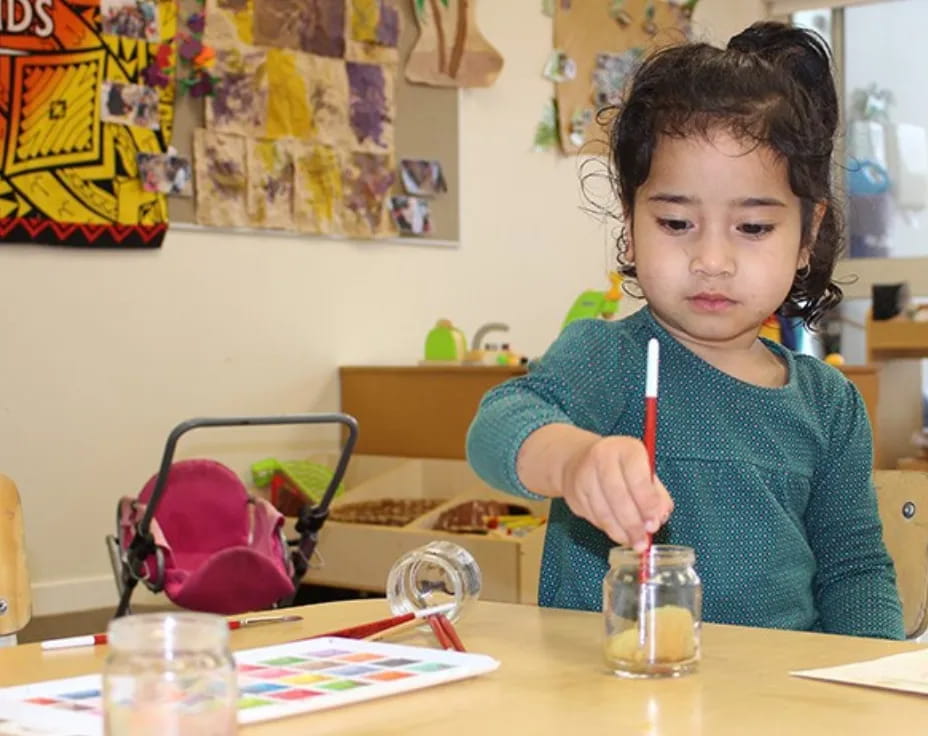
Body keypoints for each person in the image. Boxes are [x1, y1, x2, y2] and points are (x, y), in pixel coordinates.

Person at [466, 22, 904, 639]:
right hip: (604, 695)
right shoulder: (608, 356)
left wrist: (870, 684)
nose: (712, 260)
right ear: (631, 221)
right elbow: (497, 425)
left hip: (770, 703)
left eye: (752, 229)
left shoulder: (830, 405)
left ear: (807, 236)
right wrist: (572, 461)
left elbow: (854, 568)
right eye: (676, 222)